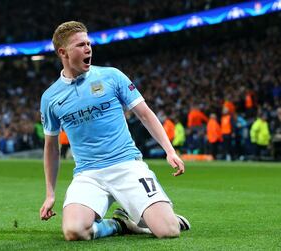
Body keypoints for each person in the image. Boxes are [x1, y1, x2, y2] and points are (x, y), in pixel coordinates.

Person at [39, 21, 190, 241]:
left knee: (168, 231)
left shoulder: (112, 76)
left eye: (88, 43)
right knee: (74, 231)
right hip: (88, 174)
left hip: (127, 166)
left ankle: (159, 217)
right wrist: (50, 193)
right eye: (81, 45)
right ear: (63, 52)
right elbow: (51, 148)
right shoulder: (50, 98)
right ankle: (117, 225)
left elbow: (145, 114)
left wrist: (170, 150)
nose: (88, 48)